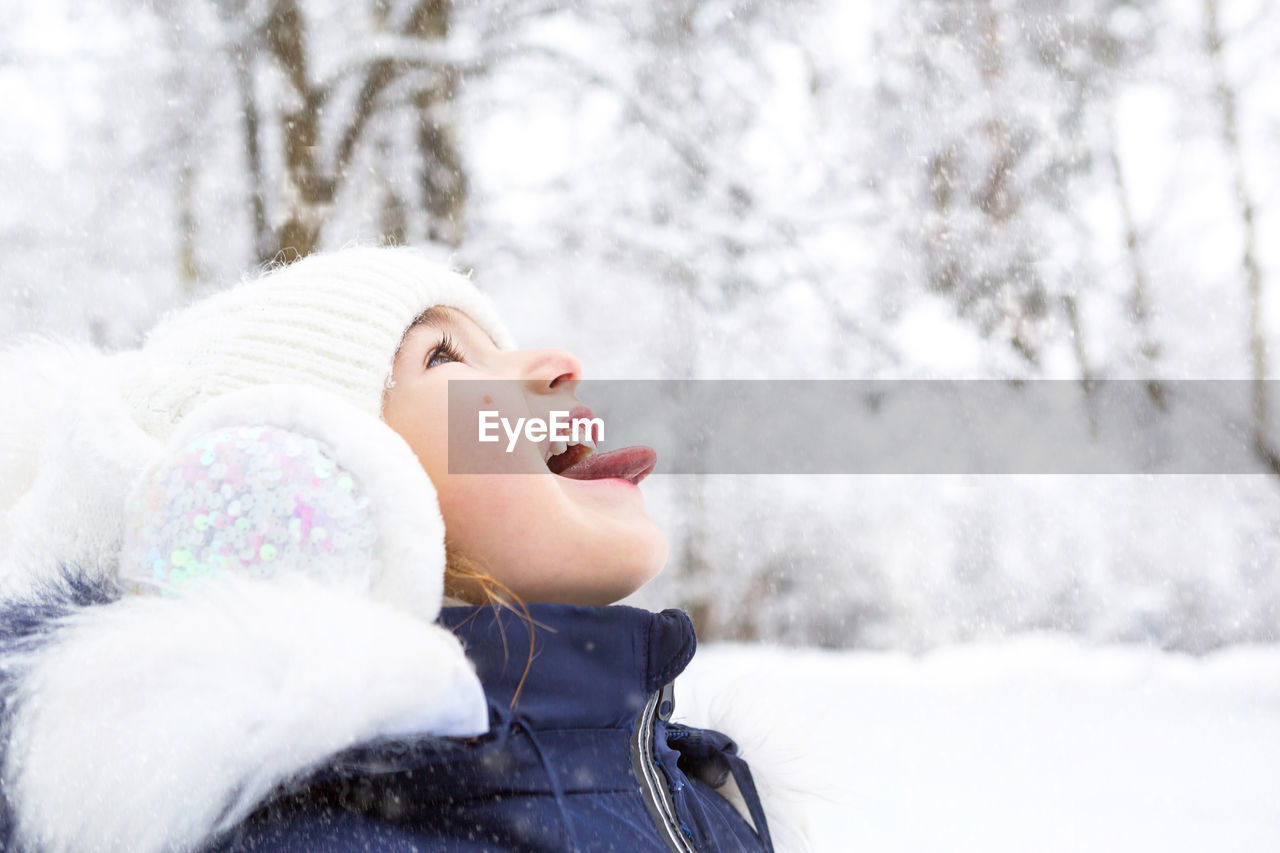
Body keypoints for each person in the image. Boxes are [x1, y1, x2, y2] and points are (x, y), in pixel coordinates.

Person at [0, 246, 793, 852]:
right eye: (444, 358)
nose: (559, 364)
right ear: (301, 497)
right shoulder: (323, 835)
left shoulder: (690, 786)